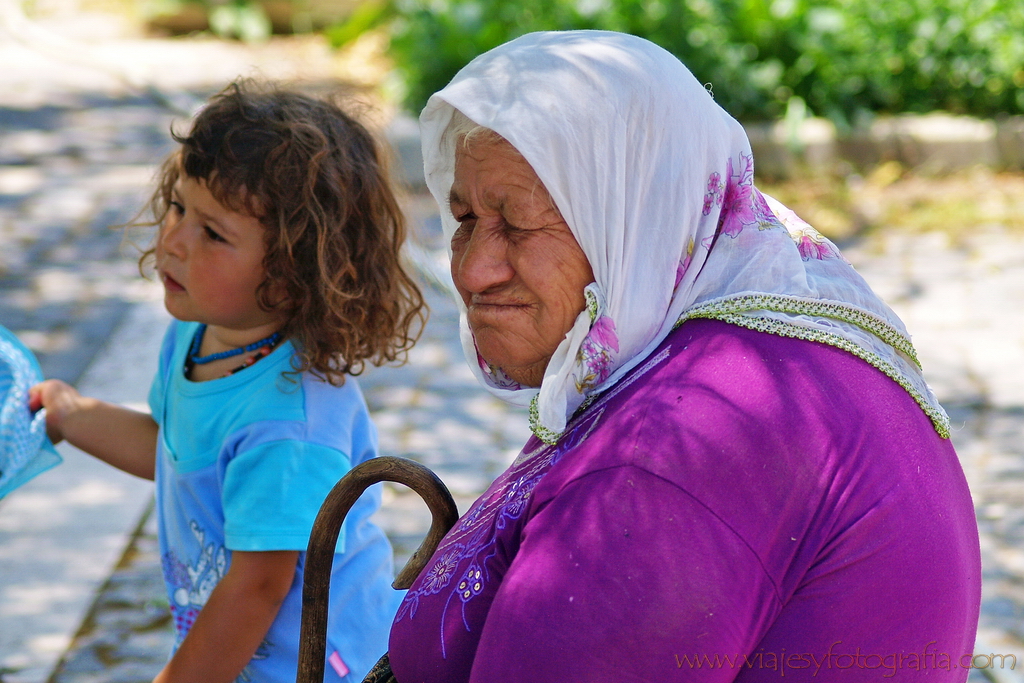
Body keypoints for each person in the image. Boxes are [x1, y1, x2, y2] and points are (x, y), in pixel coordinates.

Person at [385, 31, 981, 682]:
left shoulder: (683, 443)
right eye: (465, 218)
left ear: (636, 216)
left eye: (517, 225)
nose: (471, 271)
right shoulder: (750, 338)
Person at [30, 82, 425, 682]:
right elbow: (178, 451)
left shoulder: (287, 424)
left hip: (317, 667)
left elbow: (258, 587)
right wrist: (71, 413)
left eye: (213, 234)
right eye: (180, 207)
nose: (174, 239)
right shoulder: (202, 335)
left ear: (296, 271)